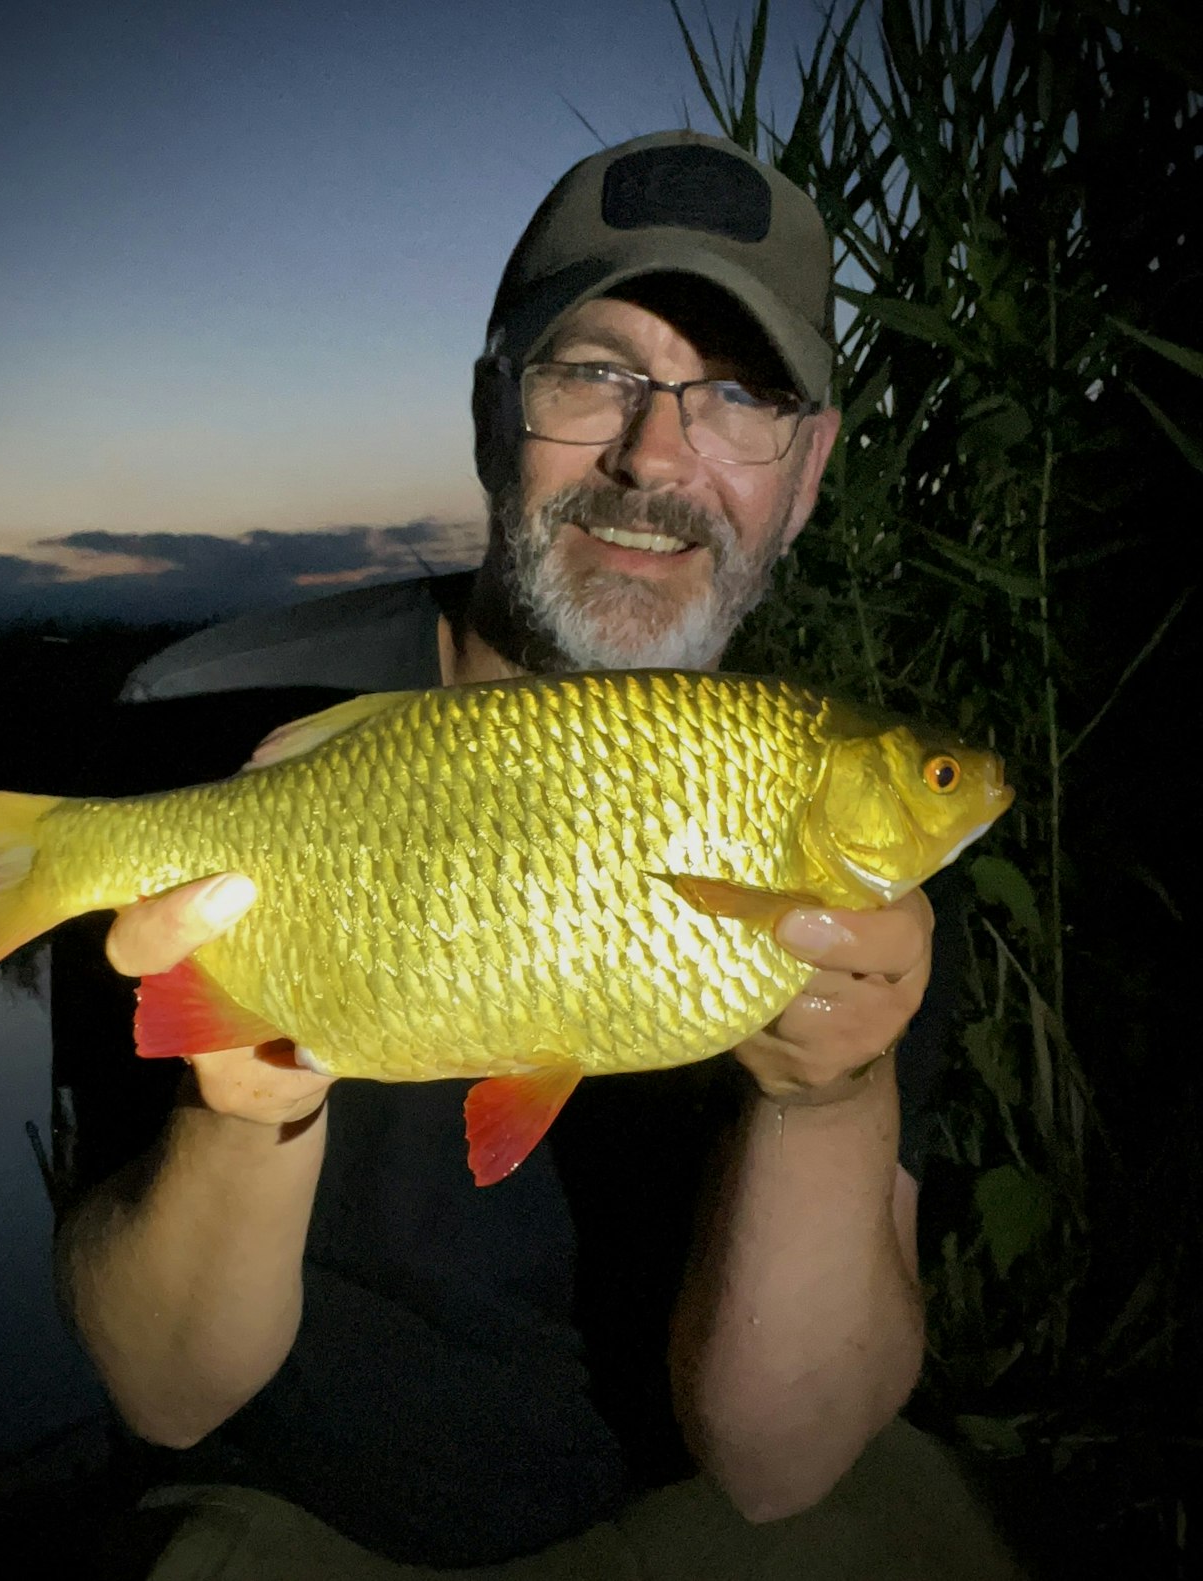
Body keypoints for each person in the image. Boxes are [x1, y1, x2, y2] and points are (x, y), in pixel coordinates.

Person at [52, 131, 1024, 1579]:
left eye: (740, 393)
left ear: (810, 470)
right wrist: (246, 1095)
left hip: (700, 1500)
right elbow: (169, 1392)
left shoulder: (824, 797)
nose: (651, 455)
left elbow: (779, 1462)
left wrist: (831, 1098)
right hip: (306, 1514)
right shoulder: (205, 730)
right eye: (596, 373)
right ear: (492, 409)